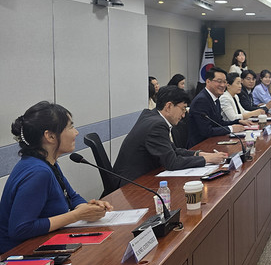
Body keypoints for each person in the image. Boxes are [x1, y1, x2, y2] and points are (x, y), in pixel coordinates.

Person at [0, 102, 113, 253]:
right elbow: (20, 229)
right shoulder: (38, 172)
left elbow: (72, 197)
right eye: (71, 127)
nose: (76, 132)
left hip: (43, 244)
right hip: (20, 254)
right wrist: (76, 215)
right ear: (50, 136)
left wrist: (88, 209)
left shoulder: (46, 162)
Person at [113, 86, 228, 187]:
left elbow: (173, 150)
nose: (183, 115)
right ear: (168, 106)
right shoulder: (157, 125)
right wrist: (207, 159)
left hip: (144, 177)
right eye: (183, 109)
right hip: (131, 184)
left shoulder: (152, 116)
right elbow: (172, 162)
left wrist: (200, 154)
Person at [187, 68, 247, 148]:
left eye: (225, 82)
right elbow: (206, 131)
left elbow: (219, 123)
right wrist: (231, 129)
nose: (223, 85)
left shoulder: (215, 98)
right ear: (208, 81)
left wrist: (238, 121)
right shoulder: (201, 100)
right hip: (200, 146)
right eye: (219, 81)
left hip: (212, 142)